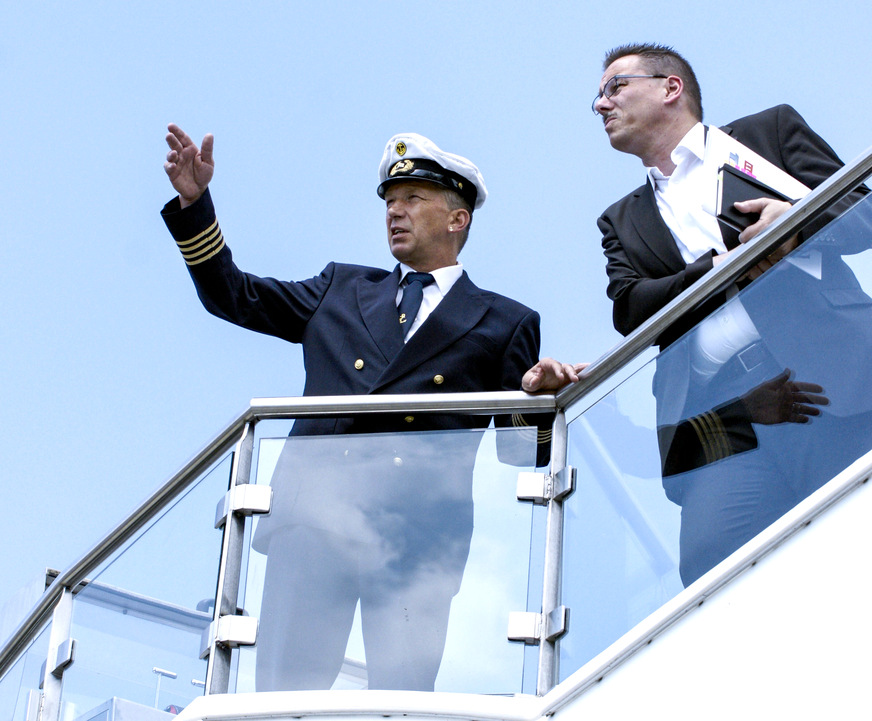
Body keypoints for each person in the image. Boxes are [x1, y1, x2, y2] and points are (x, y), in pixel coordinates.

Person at [161, 127, 548, 691]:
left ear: (457, 219)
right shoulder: (340, 288)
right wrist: (196, 206)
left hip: (418, 545)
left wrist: (539, 396)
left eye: (413, 200)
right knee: (281, 699)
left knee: (401, 702)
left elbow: (522, 452)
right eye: (390, 202)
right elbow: (234, 296)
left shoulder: (505, 321)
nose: (396, 212)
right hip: (312, 525)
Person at [590, 43, 872, 584]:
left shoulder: (769, 132)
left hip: (832, 383)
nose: (602, 106)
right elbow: (629, 308)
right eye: (597, 98)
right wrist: (721, 268)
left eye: (614, 88)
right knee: (712, 581)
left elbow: (862, 215)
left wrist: (796, 221)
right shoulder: (620, 221)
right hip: (725, 423)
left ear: (670, 88)